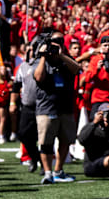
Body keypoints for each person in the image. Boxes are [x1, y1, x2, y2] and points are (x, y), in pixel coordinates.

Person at [33, 30, 82, 184]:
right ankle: (47, 172)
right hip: (47, 108)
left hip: (65, 107)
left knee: (65, 140)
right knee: (46, 142)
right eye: (54, 41)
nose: (57, 44)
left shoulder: (65, 60)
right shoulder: (41, 59)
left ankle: (58, 170)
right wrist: (43, 56)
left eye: (60, 41)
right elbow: (38, 77)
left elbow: (77, 68)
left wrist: (61, 55)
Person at [10, 44, 41, 173]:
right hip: (27, 106)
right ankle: (35, 157)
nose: (30, 52)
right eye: (28, 50)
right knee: (23, 134)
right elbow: (16, 86)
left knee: (43, 137)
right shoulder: (22, 67)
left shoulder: (42, 65)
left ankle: (46, 166)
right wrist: (12, 102)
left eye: (32, 50)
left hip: (42, 105)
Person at [82, 36, 109, 122]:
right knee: (96, 123)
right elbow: (87, 79)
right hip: (98, 98)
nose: (107, 48)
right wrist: (97, 69)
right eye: (105, 45)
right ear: (100, 46)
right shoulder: (95, 60)